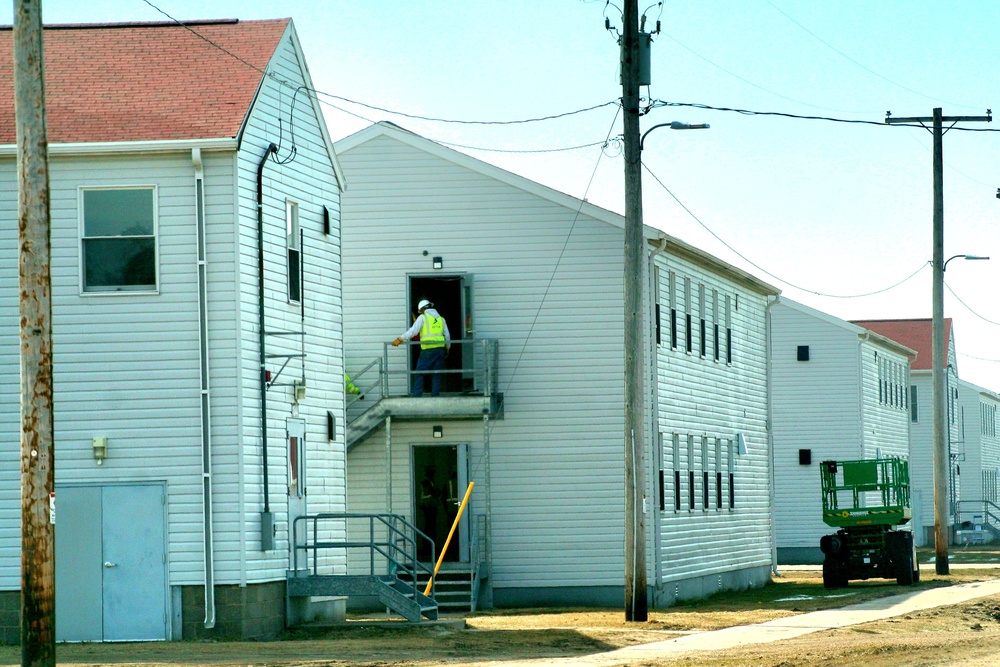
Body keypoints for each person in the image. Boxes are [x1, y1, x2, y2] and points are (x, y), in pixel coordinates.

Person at [392, 299, 451, 397]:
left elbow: (413, 331)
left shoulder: (423, 318)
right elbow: (447, 336)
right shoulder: (441, 319)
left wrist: (400, 339)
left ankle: (417, 396)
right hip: (440, 349)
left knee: (419, 373)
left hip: (427, 350)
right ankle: (435, 396)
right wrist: (448, 348)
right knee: (437, 373)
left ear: (423, 309)